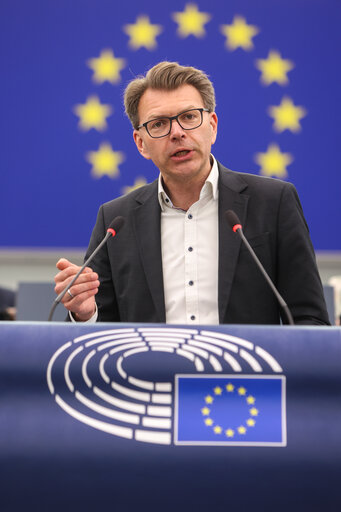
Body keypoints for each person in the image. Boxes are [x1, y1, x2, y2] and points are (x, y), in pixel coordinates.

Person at [54, 61, 329, 325]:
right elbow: (100, 338)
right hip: (149, 373)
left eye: (188, 117)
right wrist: (84, 313)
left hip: (244, 373)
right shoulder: (115, 220)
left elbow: (310, 320)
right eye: (159, 123)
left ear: (212, 126)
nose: (177, 132)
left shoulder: (273, 202)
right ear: (141, 144)